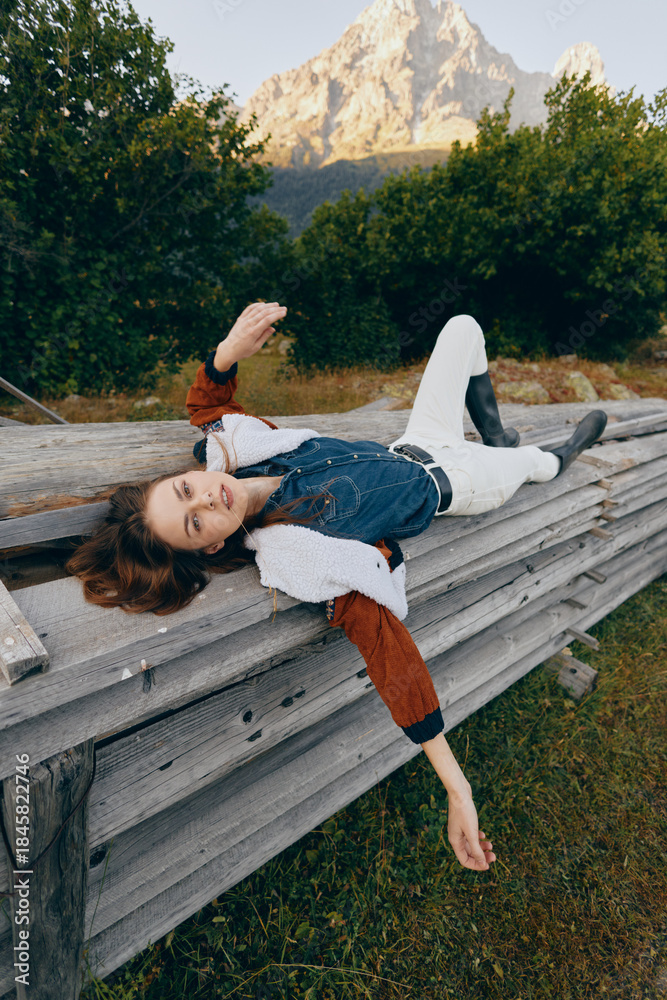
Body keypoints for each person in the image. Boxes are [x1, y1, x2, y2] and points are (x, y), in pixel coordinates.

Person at [66, 302, 607, 872]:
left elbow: (206, 406)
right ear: (207, 547)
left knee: (464, 328)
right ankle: (556, 451)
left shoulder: (241, 451)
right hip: (459, 482)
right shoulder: (300, 554)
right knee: (537, 465)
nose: (204, 499)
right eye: (195, 522)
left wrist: (227, 352)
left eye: (185, 490)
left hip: (416, 442)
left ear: (188, 473)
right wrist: (456, 786)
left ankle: (494, 431)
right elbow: (387, 653)